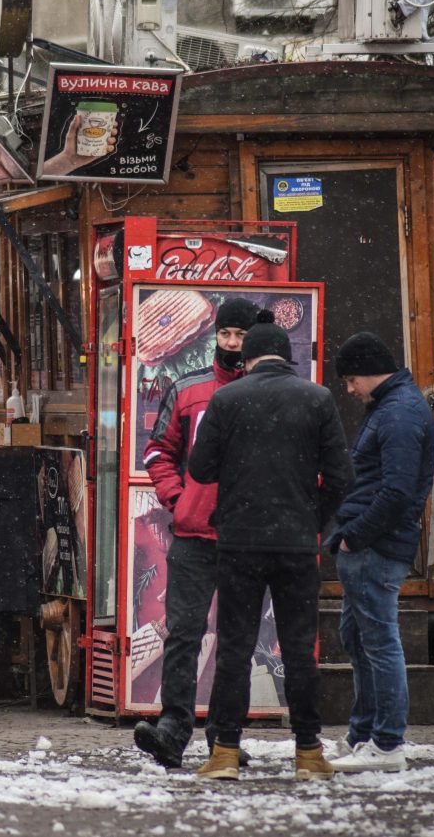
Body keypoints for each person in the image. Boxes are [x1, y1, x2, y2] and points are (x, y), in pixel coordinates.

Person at [187, 311, 354, 782]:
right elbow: (341, 478)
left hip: (239, 542)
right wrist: (312, 520)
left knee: (235, 647)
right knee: (300, 650)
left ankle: (223, 752)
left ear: (247, 357)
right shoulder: (318, 399)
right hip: (297, 545)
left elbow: (200, 470)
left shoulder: (227, 399)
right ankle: (308, 753)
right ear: (288, 355)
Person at [131, 297, 255, 769]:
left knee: (236, 639)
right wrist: (178, 500)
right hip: (194, 533)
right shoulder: (188, 389)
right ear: (214, 336)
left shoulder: (264, 392)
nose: (231, 344)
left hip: (247, 537)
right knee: (183, 633)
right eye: (225, 335)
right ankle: (173, 729)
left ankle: (225, 737)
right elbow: (158, 451)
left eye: (240, 337)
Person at [325, 332, 434, 774]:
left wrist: (355, 535)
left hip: (374, 547)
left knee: (378, 643)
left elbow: (396, 491)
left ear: (371, 371)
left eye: (351, 380)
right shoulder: (394, 408)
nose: (349, 390)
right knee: (360, 639)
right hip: (372, 544)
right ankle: (365, 736)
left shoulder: (398, 414)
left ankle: (387, 743)